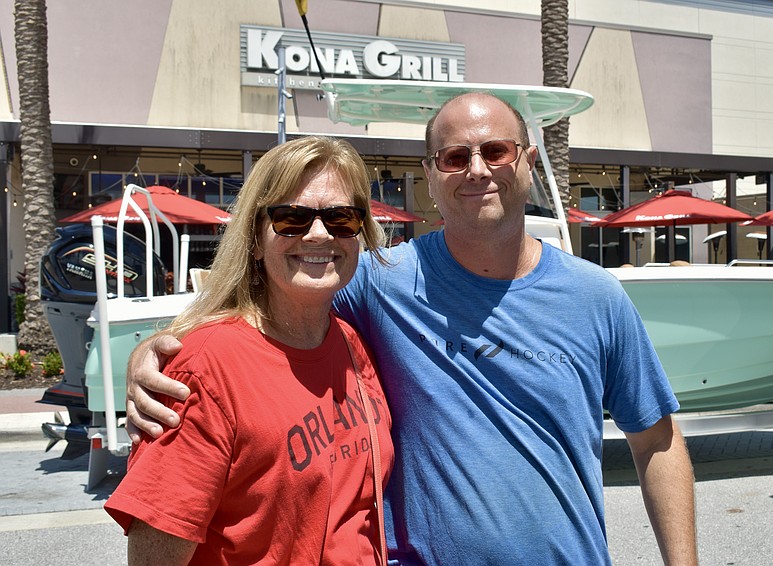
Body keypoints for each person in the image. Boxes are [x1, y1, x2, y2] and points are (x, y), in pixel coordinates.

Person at [125, 93, 697, 565]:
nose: (477, 170)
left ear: (525, 161)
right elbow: (262, 303)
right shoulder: (380, 280)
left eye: (496, 151)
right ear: (429, 176)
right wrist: (159, 348)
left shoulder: (596, 297)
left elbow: (657, 442)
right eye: (454, 157)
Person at [105, 136, 395, 565]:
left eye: (341, 218)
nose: (319, 234)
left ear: (359, 234)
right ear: (256, 241)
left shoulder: (354, 342)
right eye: (291, 218)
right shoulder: (205, 367)